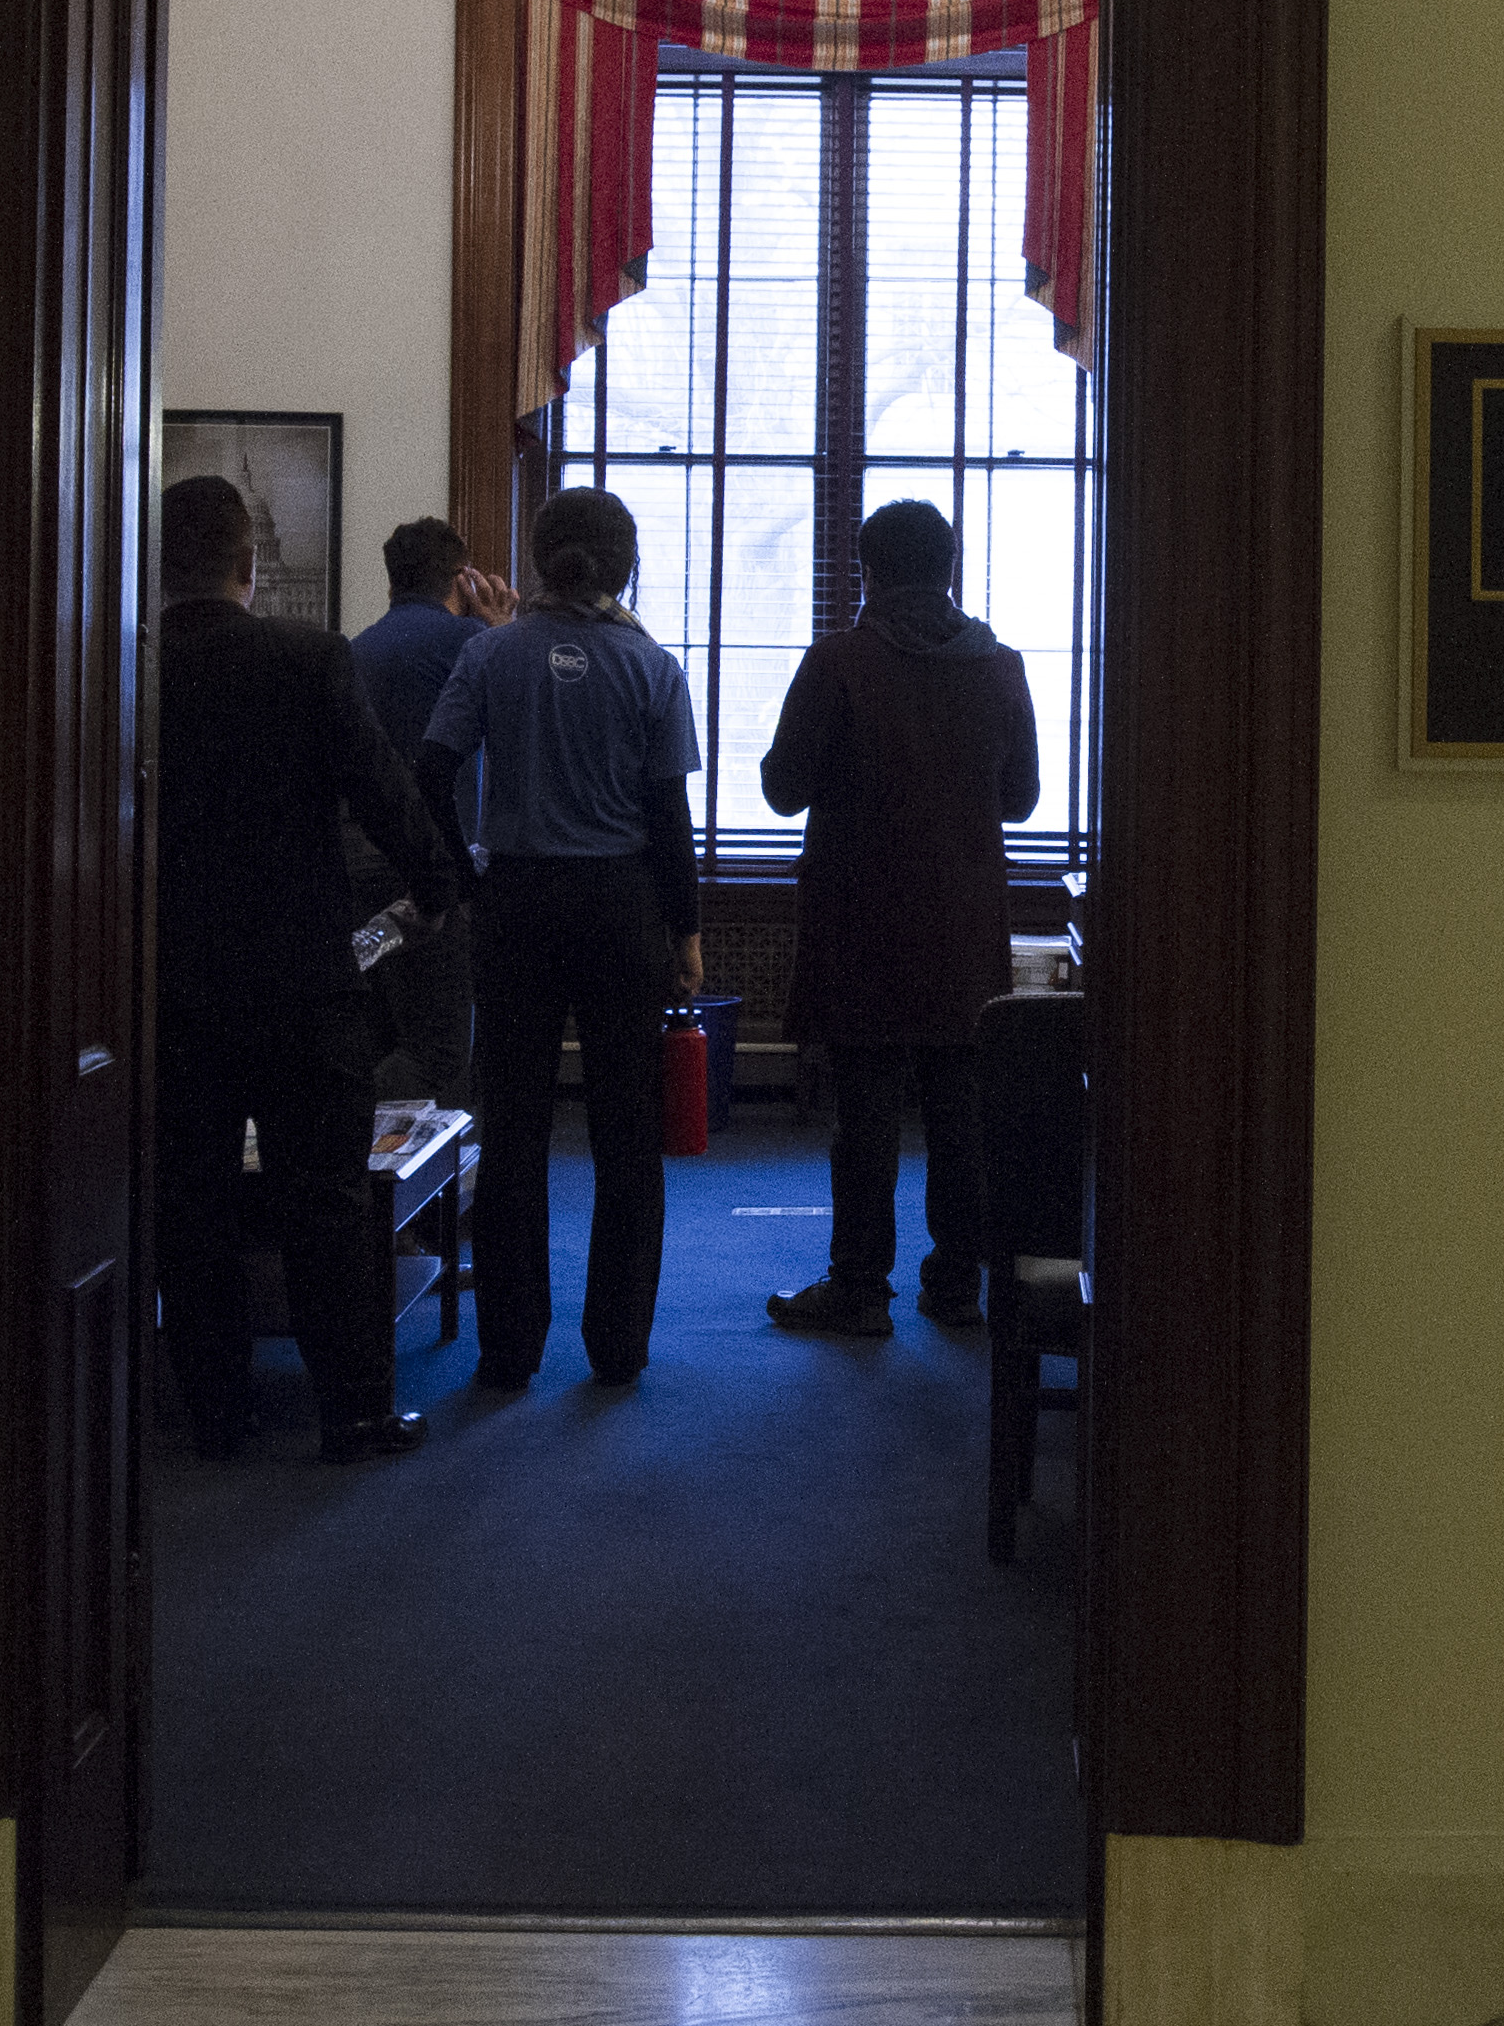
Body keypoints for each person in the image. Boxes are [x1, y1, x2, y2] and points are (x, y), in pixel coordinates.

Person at [154, 471, 464, 1464]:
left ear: (159, 566)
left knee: (191, 1198)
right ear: (251, 564)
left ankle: (215, 1412)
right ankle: (354, 1412)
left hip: (174, 975)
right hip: (303, 969)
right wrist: (436, 882)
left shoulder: (124, 666)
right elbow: (382, 792)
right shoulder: (307, 656)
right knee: (326, 1198)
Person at [419, 485, 702, 1388]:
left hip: (519, 905)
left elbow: (429, 772)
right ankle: (617, 1348)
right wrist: (685, 931)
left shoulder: (490, 653)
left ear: (541, 559)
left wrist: (465, 879)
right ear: (624, 566)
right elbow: (669, 818)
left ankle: (510, 1349)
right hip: (621, 908)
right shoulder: (654, 666)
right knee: (627, 1131)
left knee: (513, 1132)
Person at [756, 499, 1043, 1336]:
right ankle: (957, 1284)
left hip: (862, 923)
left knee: (866, 1122)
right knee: (962, 1121)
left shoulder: (839, 661)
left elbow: (782, 790)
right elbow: (1021, 800)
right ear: (950, 568)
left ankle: (859, 1287)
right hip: (964, 927)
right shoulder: (1002, 665)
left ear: (866, 571)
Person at [344, 515, 511, 1107]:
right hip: (435, 876)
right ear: (462, 580)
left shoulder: (354, 650)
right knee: (442, 1052)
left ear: (391, 582)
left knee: (381, 1033)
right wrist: (499, 628)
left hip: (357, 873)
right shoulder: (475, 647)